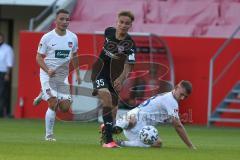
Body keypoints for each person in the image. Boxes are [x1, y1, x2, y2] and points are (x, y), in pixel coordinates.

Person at [91, 11, 136, 148]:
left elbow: (129, 66)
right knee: (107, 99)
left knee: (113, 111)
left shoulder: (130, 44)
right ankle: (109, 141)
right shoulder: (108, 32)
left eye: (127, 23)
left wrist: (121, 79)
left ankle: (106, 127)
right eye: (121, 22)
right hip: (99, 72)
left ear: (130, 25)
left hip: (115, 77)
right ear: (117, 22)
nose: (123, 25)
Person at [36, 9, 80, 141]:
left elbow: (75, 55)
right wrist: (48, 69)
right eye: (62, 19)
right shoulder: (47, 37)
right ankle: (49, 136)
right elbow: (38, 57)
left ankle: (43, 94)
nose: (65, 22)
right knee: (53, 103)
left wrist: (77, 73)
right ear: (56, 21)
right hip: (47, 74)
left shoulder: (73, 37)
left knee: (65, 108)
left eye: (67, 19)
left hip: (62, 76)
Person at [113, 80, 197, 149]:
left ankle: (119, 135)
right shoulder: (171, 101)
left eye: (185, 97)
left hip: (137, 121)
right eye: (181, 94)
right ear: (177, 87)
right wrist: (190, 145)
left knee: (157, 143)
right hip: (136, 120)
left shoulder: (167, 95)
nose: (182, 98)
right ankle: (116, 127)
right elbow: (178, 126)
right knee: (134, 119)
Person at [0, 33, 14, 118]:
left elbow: (9, 63)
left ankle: (1, 112)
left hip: (3, 73)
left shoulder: (7, 49)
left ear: (3, 39)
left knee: (2, 93)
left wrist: (7, 74)